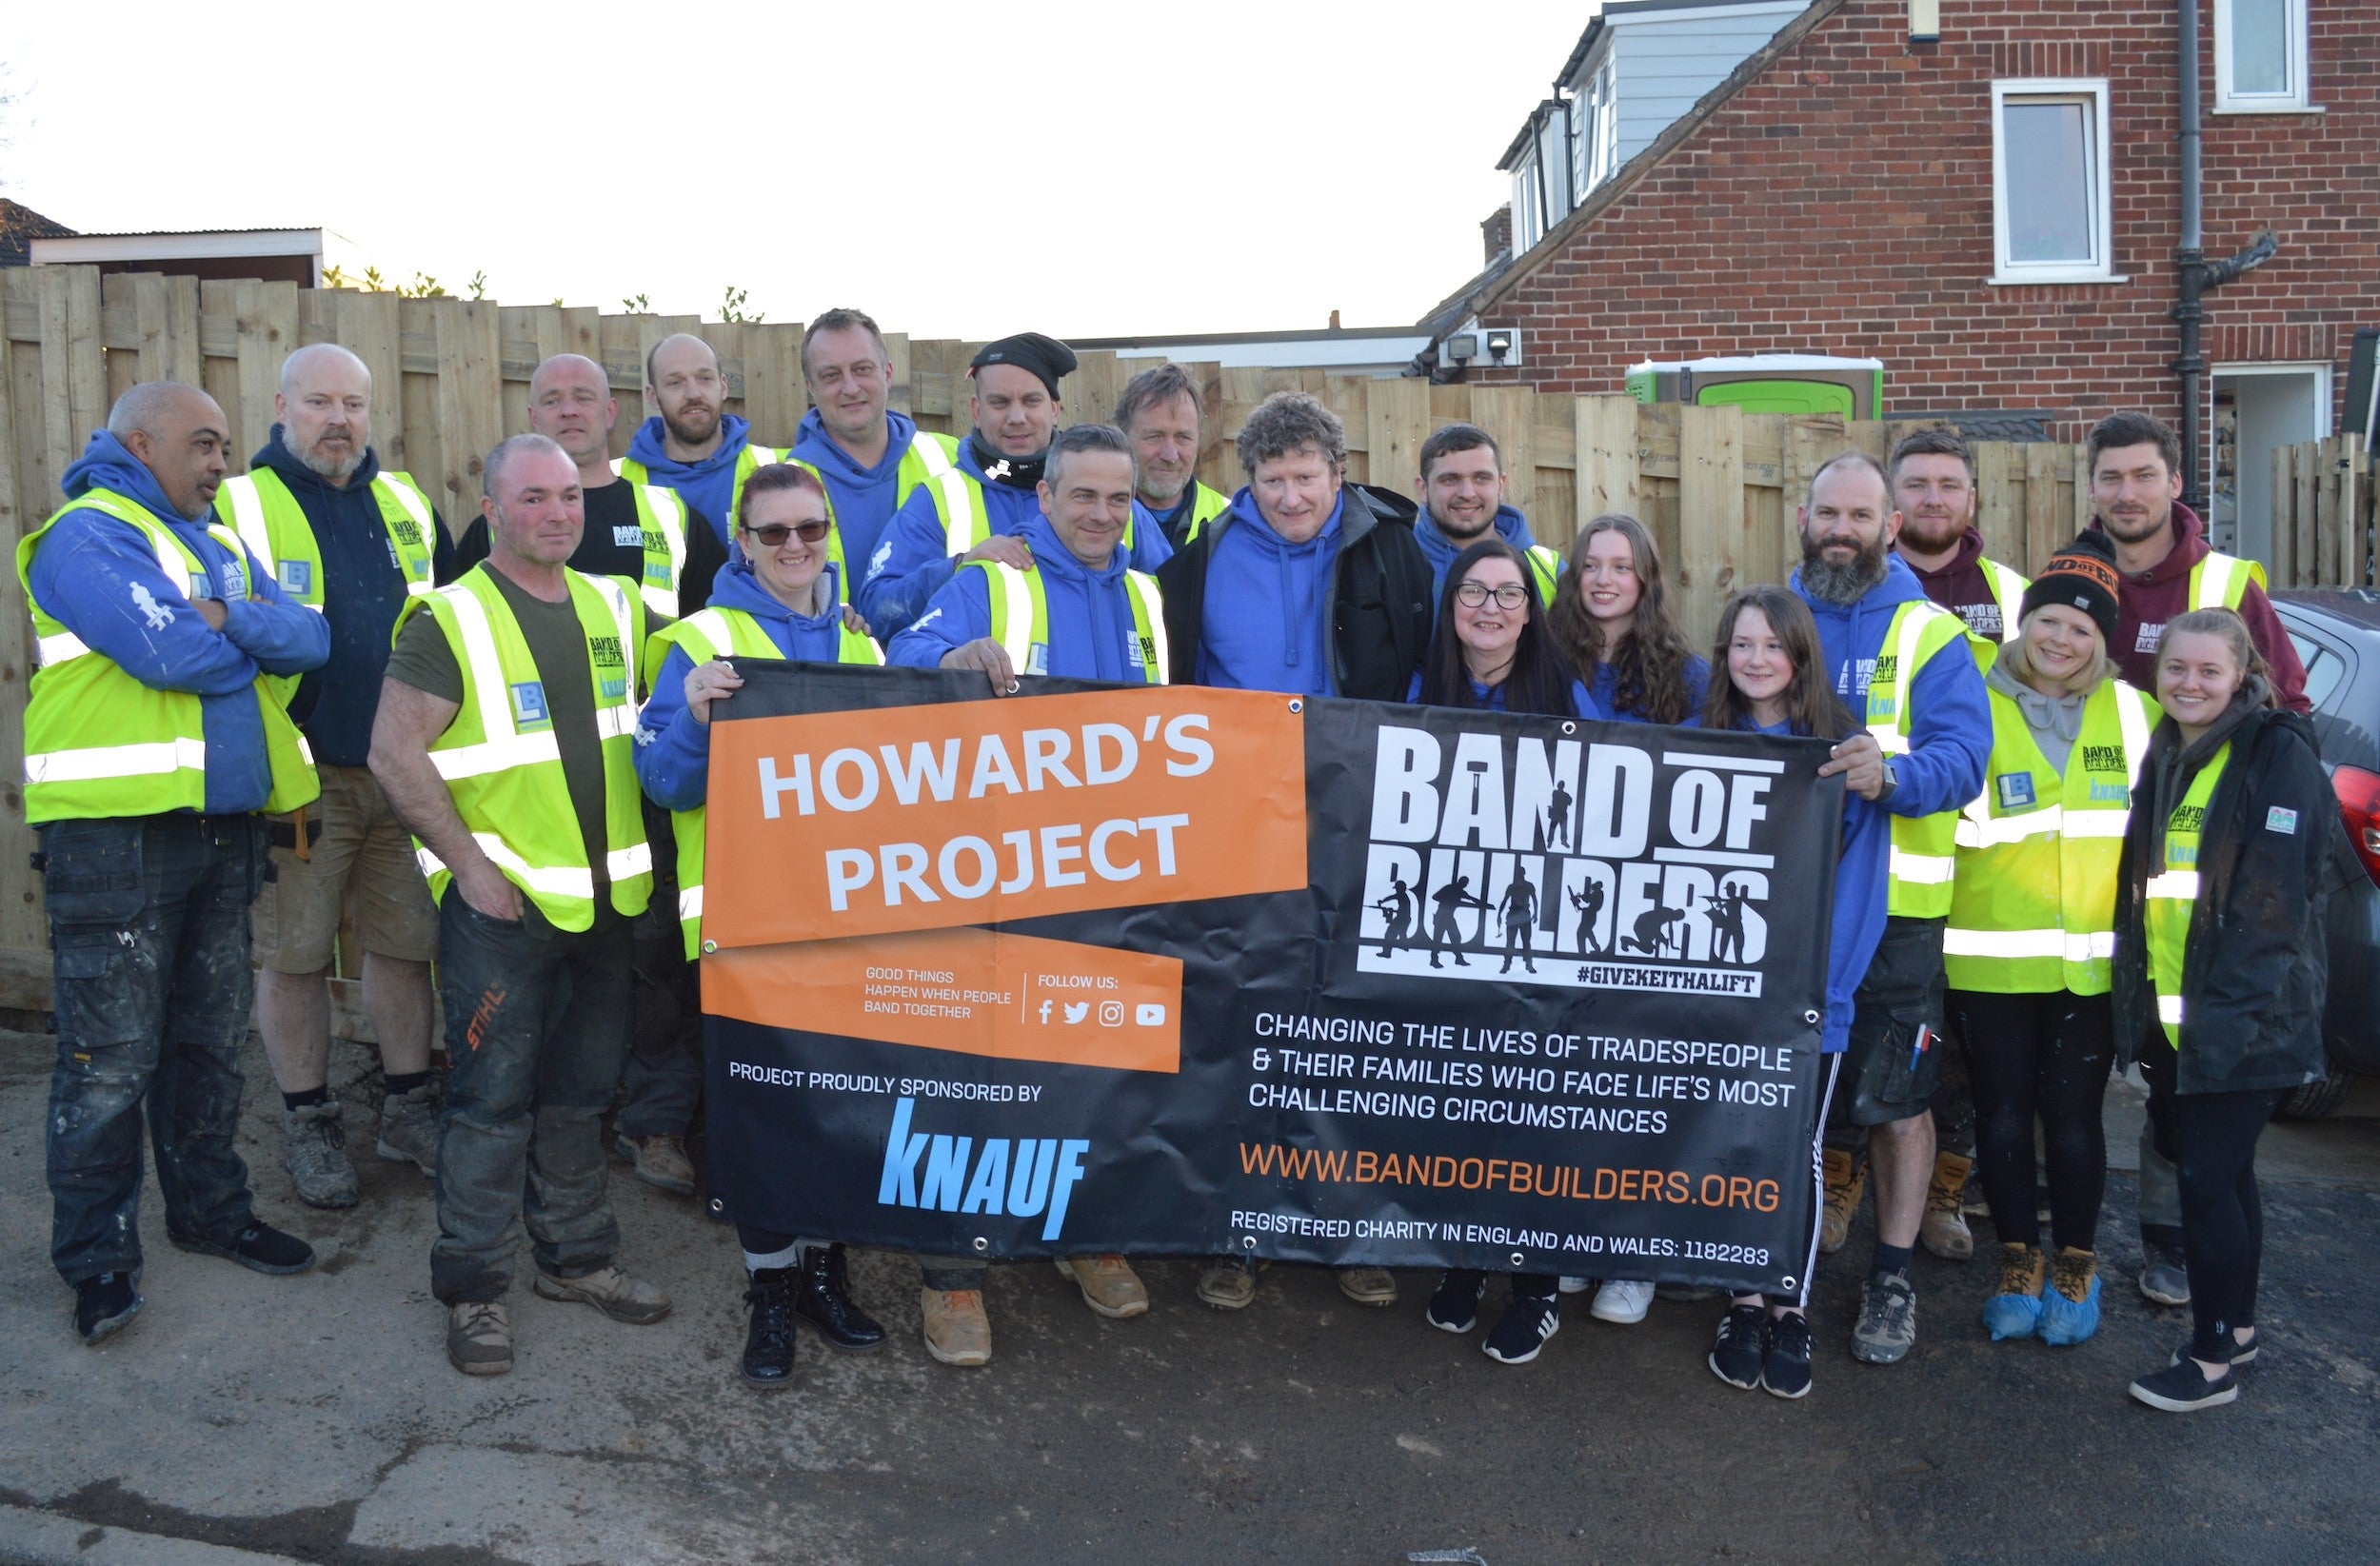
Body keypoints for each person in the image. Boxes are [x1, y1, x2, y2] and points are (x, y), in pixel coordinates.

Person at [24, 382, 330, 1344]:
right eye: (203, 445)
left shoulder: (222, 547)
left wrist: (218, 616)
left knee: (206, 1039)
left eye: (226, 445)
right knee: (108, 1059)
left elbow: (311, 637)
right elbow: (165, 654)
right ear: (140, 442)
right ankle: (99, 1261)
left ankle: (210, 1213)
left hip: (224, 826)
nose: (219, 464)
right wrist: (226, 627)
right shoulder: (86, 532)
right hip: (113, 836)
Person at [369, 434, 671, 1377]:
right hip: (503, 913)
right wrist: (466, 866)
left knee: (581, 1096)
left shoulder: (616, 604)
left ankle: (576, 1258)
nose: (558, 513)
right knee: (490, 1106)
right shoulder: (449, 616)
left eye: (570, 499)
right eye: (533, 498)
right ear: (493, 511)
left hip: (605, 906)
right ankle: (474, 1291)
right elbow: (393, 752)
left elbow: (681, 699)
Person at [885, 425, 1161, 1364]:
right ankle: (951, 1274)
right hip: (988, 873)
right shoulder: (989, 584)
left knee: (1087, 1068)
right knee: (965, 1075)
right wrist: (946, 664)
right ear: (1042, 499)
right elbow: (888, 678)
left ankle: (1081, 1236)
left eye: (1117, 499)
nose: (1100, 514)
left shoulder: (1148, 599)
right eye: (1082, 495)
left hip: (1105, 875)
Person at [1155, 389, 1433, 1312]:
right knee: (1242, 1023)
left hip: (1357, 824)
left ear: (1338, 473)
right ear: (1248, 482)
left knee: (1349, 1026)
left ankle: (1346, 1226)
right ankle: (1240, 1229)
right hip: (1235, 828)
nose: (1289, 497)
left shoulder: (1389, 547)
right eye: (1271, 480)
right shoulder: (1195, 564)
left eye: (1305, 477)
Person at [635, 462, 888, 1388]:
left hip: (846, 924)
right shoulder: (699, 641)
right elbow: (662, 783)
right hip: (742, 928)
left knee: (836, 1114)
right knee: (761, 1121)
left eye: (809, 530)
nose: (793, 547)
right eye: (773, 532)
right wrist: (698, 717)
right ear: (742, 541)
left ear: (831, 535)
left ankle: (827, 1272)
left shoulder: (862, 647)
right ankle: (769, 1291)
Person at [458, 352, 730, 1200]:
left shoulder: (664, 511)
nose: (569, 411)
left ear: (615, 409)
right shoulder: (488, 549)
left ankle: (649, 1125)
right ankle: (561, 1136)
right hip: (535, 823)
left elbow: (721, 614)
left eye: (584, 397)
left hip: (657, 773)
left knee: (656, 966)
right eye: (551, 399)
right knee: (569, 1002)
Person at [210, 344, 455, 1210]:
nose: (340, 420)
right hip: (298, 779)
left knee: (404, 948)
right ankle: (309, 1120)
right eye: (320, 402)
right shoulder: (237, 504)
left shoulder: (409, 504)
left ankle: (407, 1108)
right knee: (297, 955)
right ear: (281, 406)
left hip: (404, 776)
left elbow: (461, 622)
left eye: (354, 402)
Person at [2079, 410, 2311, 1311]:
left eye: (2144, 475)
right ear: (2092, 487)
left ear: (2174, 481)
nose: (2128, 493)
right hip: (2099, 852)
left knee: (2194, 1083)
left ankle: (2176, 1243)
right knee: (2132, 1059)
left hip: (2203, 868)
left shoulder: (2224, 581)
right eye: (2112, 478)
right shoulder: (2076, 570)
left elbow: (2281, 707)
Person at [2113, 608, 2340, 1412]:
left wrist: (2226, 1028)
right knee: (2229, 1175)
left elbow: (2271, 911)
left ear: (2242, 675)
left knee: (2204, 1185)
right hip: (2183, 1019)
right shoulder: (2172, 750)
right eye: (2177, 669)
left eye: (2210, 671)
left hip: (2244, 1023)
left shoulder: (2274, 757)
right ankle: (2237, 1328)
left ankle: (2209, 1361)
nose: (2190, 683)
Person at [1794, 452, 1992, 1367]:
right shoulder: (1771, 618)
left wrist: (1896, 775)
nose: (1843, 528)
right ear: (1804, 516)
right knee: (1781, 1085)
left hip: (1898, 917)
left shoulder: (1929, 633)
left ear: (1890, 524)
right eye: (1828, 512)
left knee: (1897, 1103)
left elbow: (1966, 758)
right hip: (1783, 905)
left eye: (1860, 515)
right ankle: (1758, 1259)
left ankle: (1893, 1277)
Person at [1941, 533, 2155, 1347]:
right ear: (2023, 623)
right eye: (2049, 620)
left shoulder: (2135, 711)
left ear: (2101, 641)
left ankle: (2075, 1262)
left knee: (2072, 1121)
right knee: (2001, 1117)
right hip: (1988, 959)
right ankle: (2016, 1260)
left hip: (2090, 968)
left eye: (2082, 628)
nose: (2061, 639)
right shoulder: (1971, 702)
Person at [1697, 585, 1890, 1398]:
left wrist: (1827, 994)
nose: (1756, 660)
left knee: (1795, 1148)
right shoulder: (1699, 738)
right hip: (1717, 992)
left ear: (1802, 656)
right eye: (1742, 644)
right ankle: (1741, 1297)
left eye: (1773, 646)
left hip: (1809, 1000)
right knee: (1727, 1140)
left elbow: (1860, 890)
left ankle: (1788, 1302)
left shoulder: (1843, 750)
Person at [1407, 539, 1589, 1363]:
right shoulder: (1423, 689)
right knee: (1459, 1112)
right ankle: (1465, 1260)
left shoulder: (1565, 694)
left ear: (1531, 608)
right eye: (1473, 592)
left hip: (1535, 944)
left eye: (1508, 594)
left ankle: (1539, 1286)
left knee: (1530, 1121)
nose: (1489, 608)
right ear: (1450, 605)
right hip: (1449, 944)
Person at [1889, 426, 2031, 1262]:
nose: (1932, 498)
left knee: (1969, 1046)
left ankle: (1949, 1190)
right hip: (1893, 852)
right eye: (1917, 484)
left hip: (1990, 858)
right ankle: (1850, 1180)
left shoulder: (2013, 593)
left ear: (1972, 499)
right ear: (1892, 497)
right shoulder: (1859, 584)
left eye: (1949, 484)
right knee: (1889, 1033)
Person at [861, 332, 1171, 636]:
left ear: (1053, 409)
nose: (1017, 416)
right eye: (1000, 402)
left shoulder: (1115, 501)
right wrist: (959, 566)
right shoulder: (939, 500)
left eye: (1031, 401)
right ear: (976, 411)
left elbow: (1174, 608)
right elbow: (877, 611)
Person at [788, 307, 965, 577]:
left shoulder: (952, 458)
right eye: (831, 376)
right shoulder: (782, 485)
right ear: (810, 387)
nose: (850, 388)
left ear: (888, 373)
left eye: (862, 369)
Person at [618, 332, 788, 551]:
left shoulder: (781, 470)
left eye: (705, 378)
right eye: (675, 382)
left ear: (723, 386)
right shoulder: (618, 479)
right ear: (652, 396)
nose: (693, 394)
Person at [1547, 512, 1709, 728]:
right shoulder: (1546, 662)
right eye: (1590, 566)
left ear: (1645, 579)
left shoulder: (1689, 676)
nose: (1603, 579)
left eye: (1621, 567)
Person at [1409, 423, 1562, 605]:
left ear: (1501, 485)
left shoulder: (1548, 570)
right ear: (1423, 488)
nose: (1467, 493)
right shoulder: (1396, 563)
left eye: (1482, 478)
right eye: (1450, 479)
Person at [1115, 362, 1232, 546]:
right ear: (1123, 438)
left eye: (1183, 437)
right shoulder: (1098, 520)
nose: (1170, 455)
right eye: (1154, 437)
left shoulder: (1230, 519)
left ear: (1199, 439)